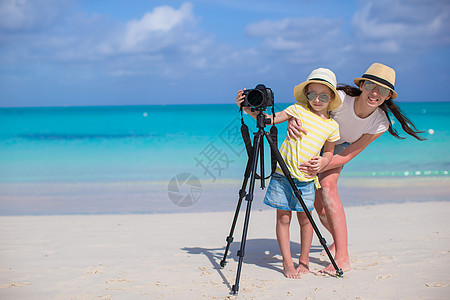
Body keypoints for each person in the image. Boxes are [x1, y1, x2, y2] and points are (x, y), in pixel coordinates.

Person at [286, 63, 425, 275]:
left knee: (328, 187)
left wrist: (323, 164)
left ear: (388, 97)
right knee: (316, 203)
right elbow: (312, 104)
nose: (375, 93)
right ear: (362, 85)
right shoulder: (340, 99)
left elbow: (348, 154)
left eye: (383, 90)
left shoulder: (379, 123)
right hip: (313, 140)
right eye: (370, 85)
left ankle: (342, 257)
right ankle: (336, 242)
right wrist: (293, 120)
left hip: (338, 149)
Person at [236, 68, 342, 278]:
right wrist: (247, 107)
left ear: (331, 97)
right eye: (312, 95)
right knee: (283, 219)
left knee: (305, 221)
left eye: (323, 96)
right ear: (306, 95)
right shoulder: (297, 110)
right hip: (281, 176)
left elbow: (329, 151)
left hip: (306, 179)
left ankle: (303, 261)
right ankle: (287, 262)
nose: (317, 100)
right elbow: (268, 120)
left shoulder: (332, 126)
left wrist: (324, 161)